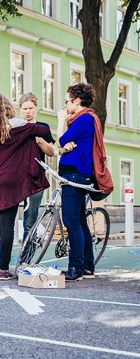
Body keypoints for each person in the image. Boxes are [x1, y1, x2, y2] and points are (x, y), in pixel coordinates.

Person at [0, 94, 50, 281]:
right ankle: (4, 269)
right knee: (7, 225)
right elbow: (41, 129)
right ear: (7, 108)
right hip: (10, 183)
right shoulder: (16, 127)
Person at [0, 92, 55, 264]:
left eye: (31, 108)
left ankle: (25, 261)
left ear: (36, 109)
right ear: (19, 110)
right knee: (7, 222)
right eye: (24, 108)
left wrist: (40, 141)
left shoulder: (42, 127)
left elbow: (51, 152)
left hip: (35, 179)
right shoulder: (14, 126)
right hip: (14, 180)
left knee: (30, 222)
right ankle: (0, 261)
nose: (28, 112)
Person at [56, 83, 98, 281]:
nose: (65, 105)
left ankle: (76, 267)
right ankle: (87, 266)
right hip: (77, 174)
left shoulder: (83, 119)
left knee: (71, 220)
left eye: (67, 101)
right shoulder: (85, 120)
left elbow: (61, 140)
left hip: (73, 174)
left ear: (77, 100)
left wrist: (60, 121)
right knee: (80, 221)